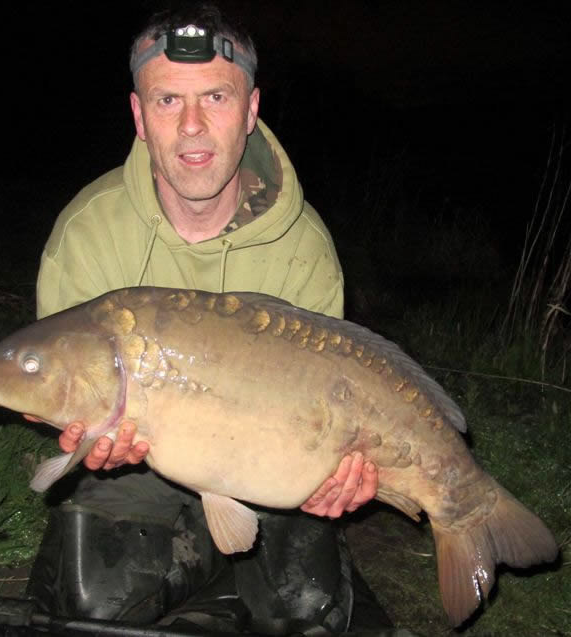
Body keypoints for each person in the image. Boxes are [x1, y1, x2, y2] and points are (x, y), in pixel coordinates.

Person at [28, 3, 390, 634]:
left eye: (215, 97)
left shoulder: (303, 249)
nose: (192, 126)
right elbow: (71, 398)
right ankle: (212, 581)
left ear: (251, 110)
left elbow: (333, 415)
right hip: (139, 467)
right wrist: (95, 447)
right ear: (139, 117)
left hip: (265, 463)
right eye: (168, 101)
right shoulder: (87, 236)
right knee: (95, 605)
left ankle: (224, 580)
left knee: (308, 611)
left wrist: (342, 475)